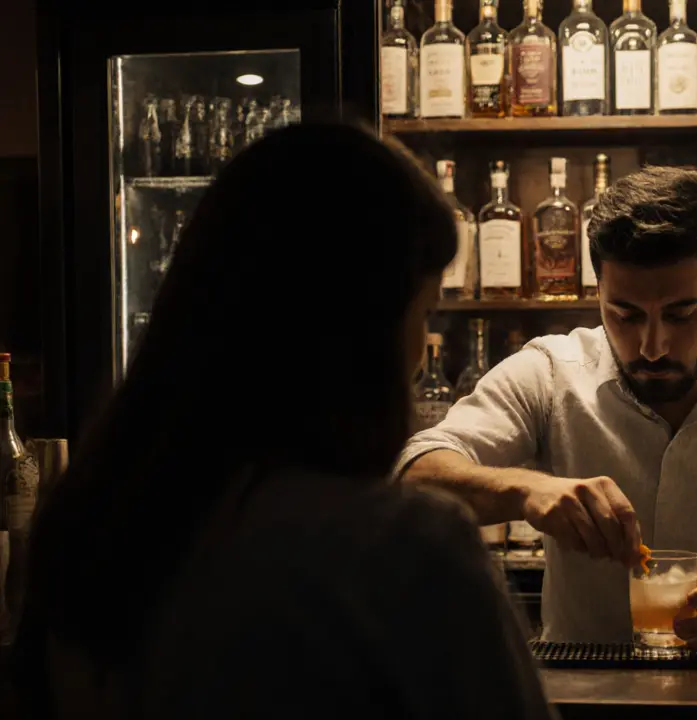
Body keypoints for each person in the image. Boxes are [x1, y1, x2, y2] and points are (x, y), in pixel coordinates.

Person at [13, 125, 552, 720]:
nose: (422, 349)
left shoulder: (92, 519)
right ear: (357, 333)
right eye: (422, 312)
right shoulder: (406, 547)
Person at [399, 166, 697, 651]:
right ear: (598, 294)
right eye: (625, 315)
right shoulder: (551, 372)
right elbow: (411, 474)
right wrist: (526, 489)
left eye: (681, 314)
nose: (652, 346)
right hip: (579, 692)